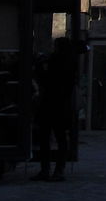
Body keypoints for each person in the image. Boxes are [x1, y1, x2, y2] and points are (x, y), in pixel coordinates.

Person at [32, 36, 77, 182]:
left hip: (52, 104)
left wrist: (40, 67)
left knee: (49, 138)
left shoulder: (55, 61)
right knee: (58, 138)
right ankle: (57, 169)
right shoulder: (68, 62)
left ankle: (48, 169)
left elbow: (46, 80)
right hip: (60, 105)